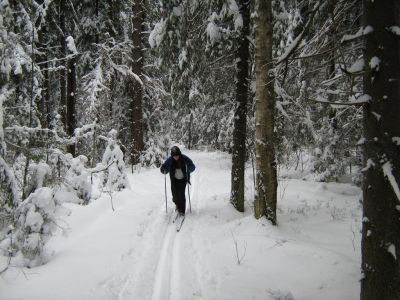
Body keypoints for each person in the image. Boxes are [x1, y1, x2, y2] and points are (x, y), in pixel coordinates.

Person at [160, 146, 195, 216]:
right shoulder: (170, 160)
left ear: (179, 154)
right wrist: (164, 170)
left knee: (181, 194)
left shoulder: (184, 158)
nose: (176, 157)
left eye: (177, 156)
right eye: (174, 156)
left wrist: (189, 168)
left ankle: (182, 210)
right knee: (175, 195)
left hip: (183, 179)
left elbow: (192, 166)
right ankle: (177, 205)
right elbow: (163, 167)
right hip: (174, 180)